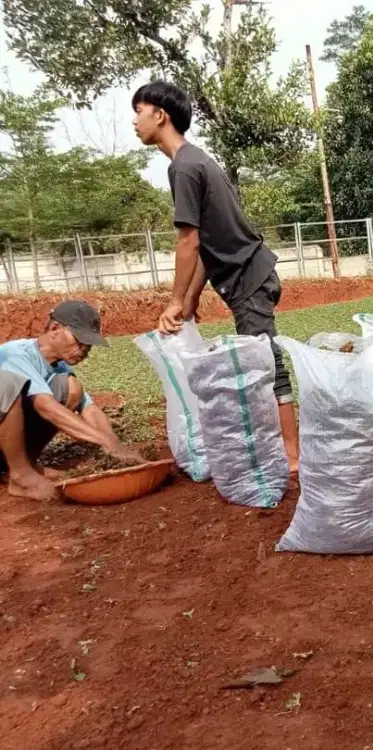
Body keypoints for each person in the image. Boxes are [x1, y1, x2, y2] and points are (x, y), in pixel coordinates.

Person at [131, 81, 300, 472]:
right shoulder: (194, 161)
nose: (135, 121)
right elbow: (207, 243)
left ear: (160, 114)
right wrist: (190, 298)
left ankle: (292, 454)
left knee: (267, 364)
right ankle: (283, 446)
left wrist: (175, 301)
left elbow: (188, 241)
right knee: (261, 363)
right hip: (247, 275)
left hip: (249, 279)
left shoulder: (184, 168)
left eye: (138, 111)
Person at [0, 301, 142, 500]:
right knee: (5, 382)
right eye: (79, 340)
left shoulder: (59, 367)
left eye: (89, 344)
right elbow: (46, 407)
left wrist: (115, 445)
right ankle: (21, 475)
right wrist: (101, 440)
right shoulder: (14, 354)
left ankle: (24, 465)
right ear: (55, 329)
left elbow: (89, 410)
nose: (85, 349)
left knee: (70, 387)